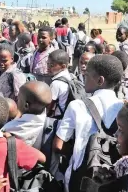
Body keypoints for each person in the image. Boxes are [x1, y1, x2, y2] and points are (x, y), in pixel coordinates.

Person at [53, 54, 124, 192]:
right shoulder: (125, 109)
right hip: (112, 179)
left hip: (80, 177)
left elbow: (58, 145)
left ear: (100, 80)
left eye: (86, 76)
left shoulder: (77, 105)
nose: (83, 78)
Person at [2, 81, 51, 149]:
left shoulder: (9, 128)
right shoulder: (54, 124)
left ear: (26, 105)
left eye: (18, 98)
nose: (16, 100)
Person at [47, 50, 72, 118]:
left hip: (59, 117)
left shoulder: (56, 84)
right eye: (47, 64)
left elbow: (49, 105)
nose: (48, 67)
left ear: (63, 66)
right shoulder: (71, 76)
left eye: (51, 65)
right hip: (68, 115)